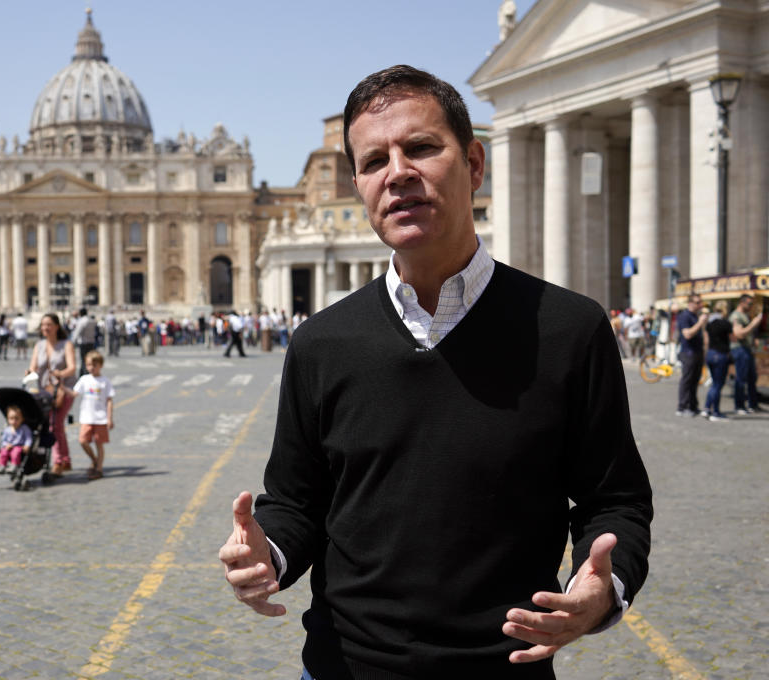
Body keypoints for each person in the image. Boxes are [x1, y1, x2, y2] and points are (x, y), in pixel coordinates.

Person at [219, 65, 653, 679]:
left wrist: (604, 589)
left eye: (420, 148)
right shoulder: (320, 342)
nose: (397, 173)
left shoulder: (571, 331)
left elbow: (617, 503)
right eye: (374, 162)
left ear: (475, 164)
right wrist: (270, 552)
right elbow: (295, 501)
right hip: (342, 668)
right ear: (359, 186)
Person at [28, 313, 76, 475]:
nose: (45, 328)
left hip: (64, 390)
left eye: (48, 324)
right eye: (43, 325)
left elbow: (72, 368)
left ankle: (57, 462)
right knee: (55, 426)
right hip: (45, 392)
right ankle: (65, 460)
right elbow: (33, 366)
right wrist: (29, 372)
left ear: (57, 326)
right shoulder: (39, 346)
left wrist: (59, 374)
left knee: (55, 425)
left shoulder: (66, 345)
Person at [67, 350, 114, 480]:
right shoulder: (84, 379)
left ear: (100, 365)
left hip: (100, 418)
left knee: (99, 444)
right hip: (86, 417)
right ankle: (94, 459)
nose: (91, 368)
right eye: (88, 365)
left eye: (94, 365)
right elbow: (74, 393)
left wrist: (109, 418)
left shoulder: (105, 381)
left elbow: (109, 401)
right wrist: (61, 387)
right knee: (83, 441)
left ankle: (99, 469)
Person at [729, 294, 764, 414]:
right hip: (739, 349)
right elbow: (739, 334)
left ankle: (752, 404)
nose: (750, 306)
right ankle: (739, 405)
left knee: (752, 378)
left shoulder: (745, 315)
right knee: (741, 378)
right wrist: (753, 324)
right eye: (749, 304)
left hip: (747, 349)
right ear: (742, 302)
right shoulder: (736, 316)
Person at [675, 295, 708, 416]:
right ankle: (682, 407)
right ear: (690, 303)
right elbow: (687, 334)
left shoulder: (695, 316)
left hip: (697, 352)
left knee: (695, 380)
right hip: (688, 352)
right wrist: (700, 322)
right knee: (687, 380)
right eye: (697, 302)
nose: (700, 305)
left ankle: (693, 406)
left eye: (700, 302)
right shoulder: (684, 316)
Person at [704, 300, 733, 421]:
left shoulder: (709, 323)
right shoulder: (725, 323)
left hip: (710, 354)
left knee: (714, 384)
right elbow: (733, 338)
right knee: (718, 384)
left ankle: (707, 409)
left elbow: (706, 341)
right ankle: (715, 412)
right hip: (720, 355)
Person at [0, 404, 32, 474]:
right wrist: (6, 445)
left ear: (22, 418)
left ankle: (14, 465)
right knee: (3, 452)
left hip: (19, 446)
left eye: (17, 418)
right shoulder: (7, 429)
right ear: (8, 419)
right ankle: (2, 465)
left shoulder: (24, 428)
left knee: (16, 452)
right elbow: (4, 440)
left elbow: (28, 438)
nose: (14, 421)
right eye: (11, 418)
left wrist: (27, 445)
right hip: (8, 446)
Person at [73, 307, 94, 375]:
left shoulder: (82, 321)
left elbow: (77, 332)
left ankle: (84, 374)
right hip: (91, 342)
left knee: (84, 360)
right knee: (90, 359)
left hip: (83, 343)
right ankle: (85, 373)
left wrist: (73, 342)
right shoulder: (91, 320)